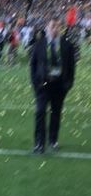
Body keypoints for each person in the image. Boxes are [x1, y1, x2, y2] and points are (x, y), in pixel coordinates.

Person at [30, 17, 76, 153]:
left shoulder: (67, 45)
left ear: (60, 28)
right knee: (40, 112)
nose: (55, 29)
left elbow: (71, 66)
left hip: (59, 85)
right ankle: (39, 143)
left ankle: (53, 140)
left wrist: (68, 84)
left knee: (56, 114)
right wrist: (35, 83)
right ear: (47, 28)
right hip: (43, 85)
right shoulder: (39, 44)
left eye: (57, 26)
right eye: (52, 26)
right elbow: (33, 64)